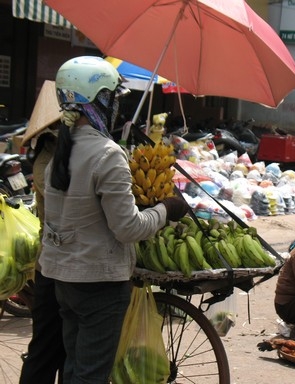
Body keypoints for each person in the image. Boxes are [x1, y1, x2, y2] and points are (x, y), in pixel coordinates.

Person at [38, 56, 189, 383]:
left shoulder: (60, 154)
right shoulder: (107, 154)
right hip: (98, 285)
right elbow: (129, 228)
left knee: (75, 368)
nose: (117, 108)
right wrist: (166, 209)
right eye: (113, 100)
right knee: (90, 374)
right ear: (100, 101)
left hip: (63, 280)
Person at [19, 80, 66, 384]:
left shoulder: (62, 157)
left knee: (63, 349)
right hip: (50, 265)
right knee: (45, 350)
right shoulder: (47, 164)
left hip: (63, 264)